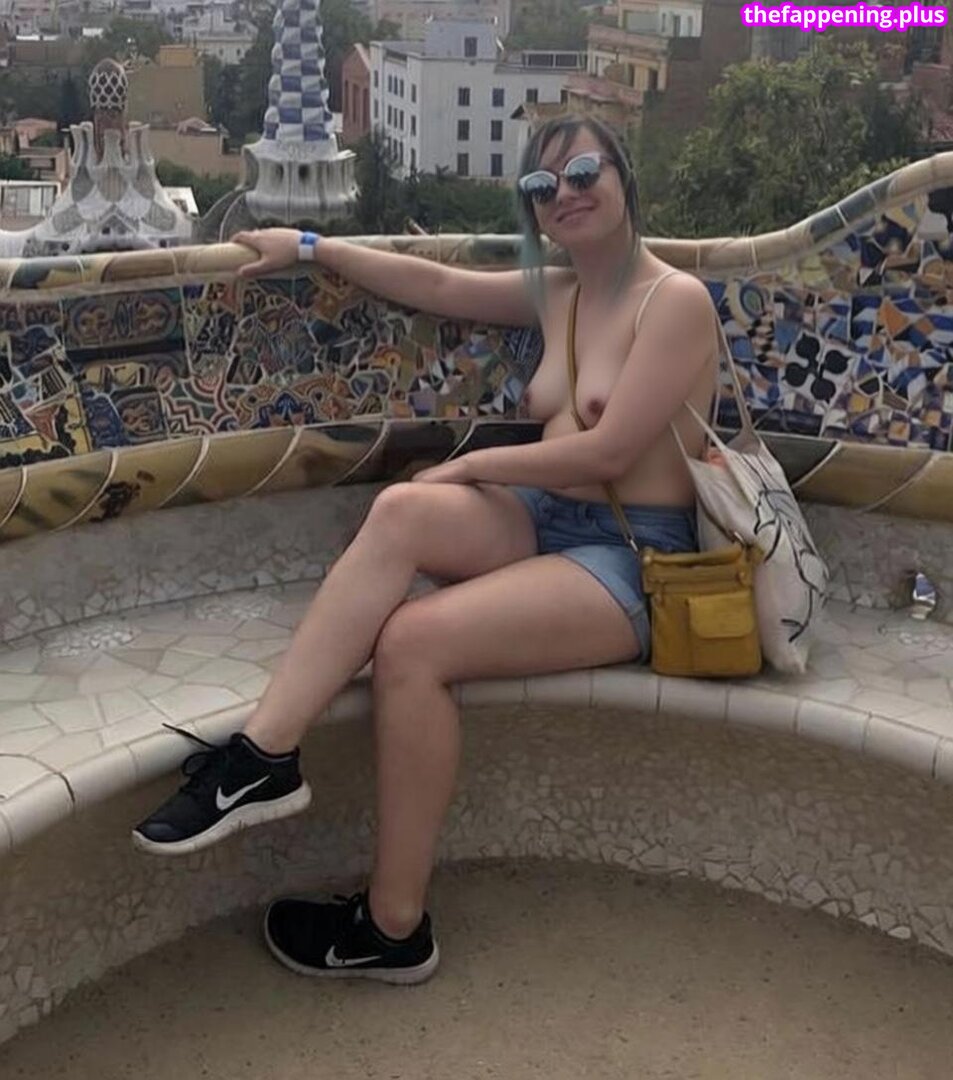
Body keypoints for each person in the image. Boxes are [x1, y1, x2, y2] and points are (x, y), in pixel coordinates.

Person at [132, 114, 719, 985]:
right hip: (544, 518)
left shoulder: (674, 301)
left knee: (410, 644)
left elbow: (607, 453)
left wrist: (471, 465)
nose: (564, 193)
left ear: (623, 177)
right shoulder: (561, 293)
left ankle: (392, 927)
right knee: (403, 510)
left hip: (632, 559)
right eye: (542, 185)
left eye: (583, 171)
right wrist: (310, 246)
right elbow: (438, 285)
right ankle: (262, 758)